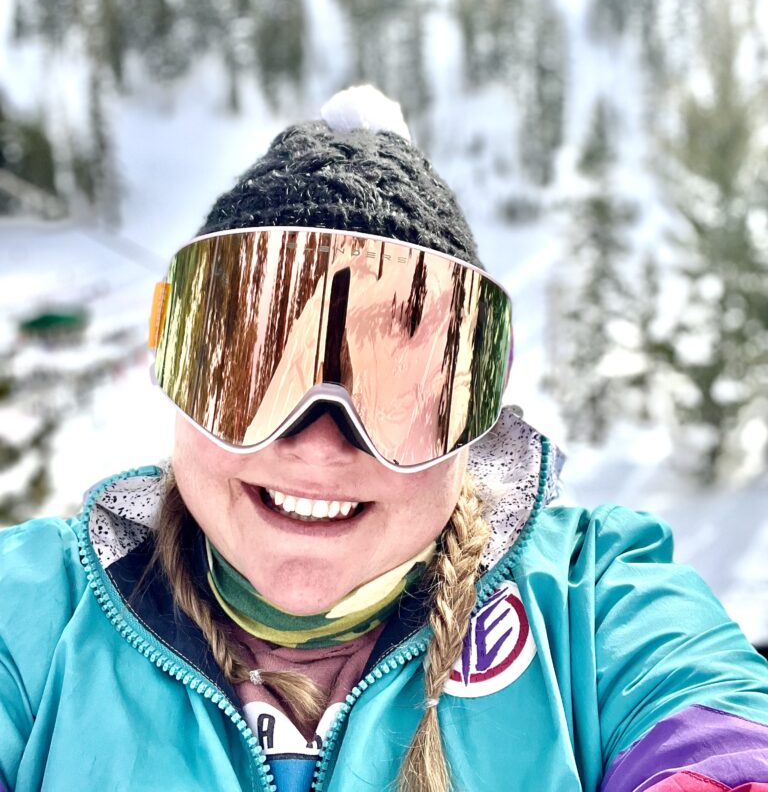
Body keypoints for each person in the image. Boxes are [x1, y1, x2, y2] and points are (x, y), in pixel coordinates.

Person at [1, 85, 768, 792]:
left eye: (394, 387)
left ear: (471, 416)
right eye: (256, 373)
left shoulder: (589, 606)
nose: (320, 442)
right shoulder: (37, 615)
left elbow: (710, 723)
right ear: (182, 370)